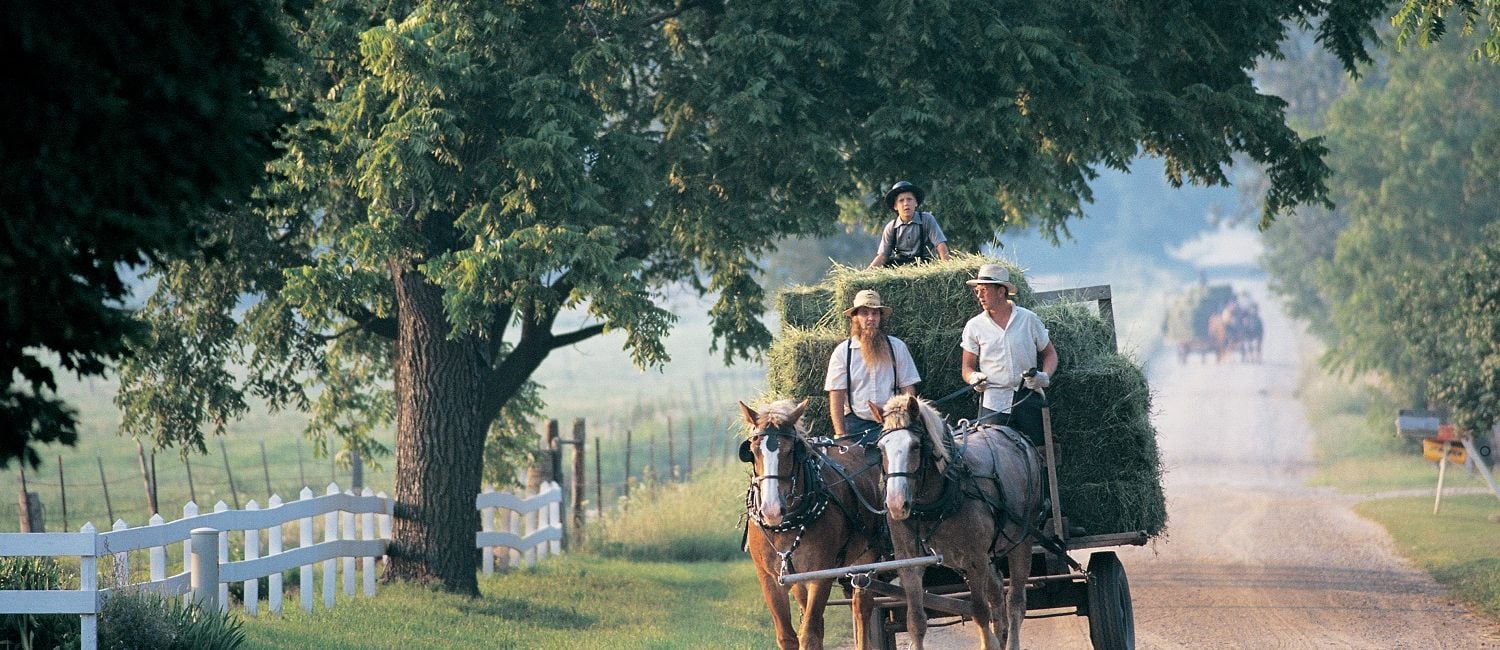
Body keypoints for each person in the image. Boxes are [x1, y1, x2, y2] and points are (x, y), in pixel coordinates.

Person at [960, 264, 1058, 447]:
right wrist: (974, 377)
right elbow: (967, 367)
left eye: (984, 290)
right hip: (994, 403)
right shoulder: (974, 326)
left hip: (1028, 398)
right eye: (977, 291)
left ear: (1001, 291)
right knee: (993, 459)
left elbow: (1050, 354)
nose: (979, 296)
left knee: (1039, 455)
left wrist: (1044, 377)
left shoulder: (1028, 319)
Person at [825, 289, 922, 442]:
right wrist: (840, 435)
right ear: (855, 318)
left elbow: (908, 388)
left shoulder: (897, 347)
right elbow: (836, 395)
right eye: (865, 313)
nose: (871, 318)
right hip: (856, 424)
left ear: (880, 318)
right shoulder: (843, 352)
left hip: (893, 423)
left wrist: (908, 420)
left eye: (875, 313)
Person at [868, 180, 950, 267]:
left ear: (916, 203)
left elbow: (940, 244)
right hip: (900, 266)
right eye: (901, 200)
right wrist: (866, 276)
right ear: (895, 206)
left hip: (924, 265)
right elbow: (883, 256)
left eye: (909, 199)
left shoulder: (927, 219)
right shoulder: (891, 227)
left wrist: (947, 268)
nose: (906, 204)